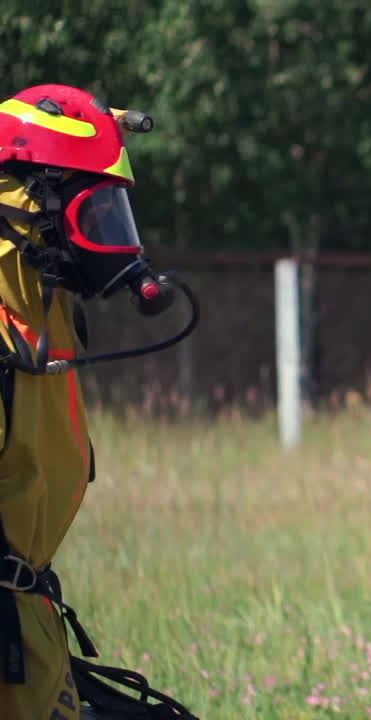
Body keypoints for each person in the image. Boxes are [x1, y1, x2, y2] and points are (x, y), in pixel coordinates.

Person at [0, 84, 198, 720]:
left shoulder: (46, 317)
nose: (114, 241)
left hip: (29, 640)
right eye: (96, 212)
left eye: (117, 213)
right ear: (30, 206)